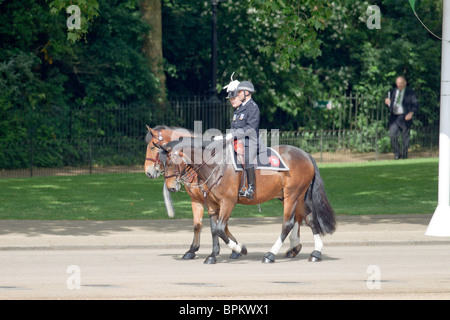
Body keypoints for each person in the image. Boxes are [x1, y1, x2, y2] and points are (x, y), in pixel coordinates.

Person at [221, 75, 260, 199]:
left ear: (246, 93)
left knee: (248, 157)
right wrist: (227, 136)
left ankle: (251, 188)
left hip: (250, 141)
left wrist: (233, 134)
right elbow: (234, 127)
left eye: (239, 92)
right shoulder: (240, 109)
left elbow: (250, 128)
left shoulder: (253, 107)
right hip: (237, 140)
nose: (237, 94)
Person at [384, 76, 419, 159]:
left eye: (400, 83)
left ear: (405, 83)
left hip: (404, 116)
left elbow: (415, 104)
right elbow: (391, 105)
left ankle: (404, 155)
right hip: (394, 117)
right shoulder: (393, 91)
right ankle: (397, 154)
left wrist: (411, 113)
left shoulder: (410, 92)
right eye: (397, 83)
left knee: (405, 137)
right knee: (392, 135)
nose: (399, 85)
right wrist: (388, 103)